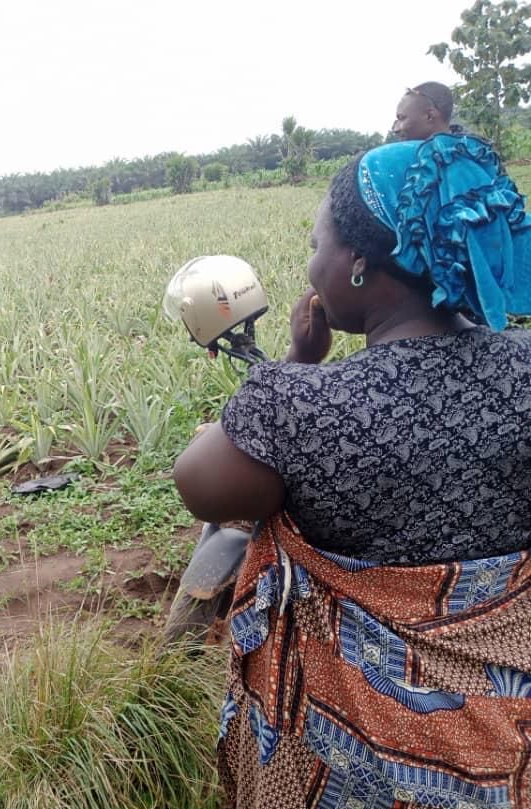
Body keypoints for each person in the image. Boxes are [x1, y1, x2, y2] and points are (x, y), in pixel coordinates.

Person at [173, 134, 531, 807]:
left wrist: (293, 365)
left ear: (359, 262)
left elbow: (198, 484)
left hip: (362, 760)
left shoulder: (304, 404)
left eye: (318, 246)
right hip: (509, 745)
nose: (311, 268)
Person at [391, 81, 464, 141]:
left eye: (402, 118)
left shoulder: (391, 153)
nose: (396, 129)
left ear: (429, 116)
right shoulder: (468, 149)